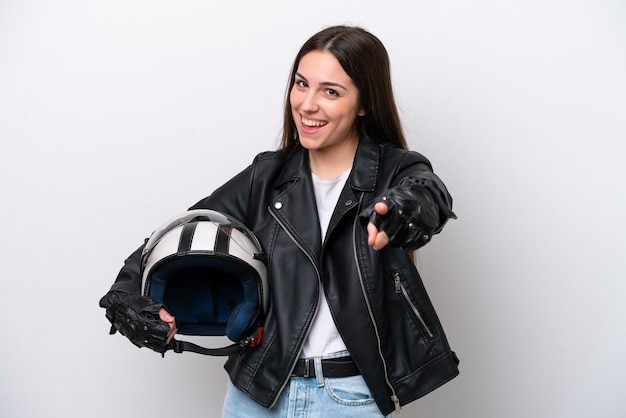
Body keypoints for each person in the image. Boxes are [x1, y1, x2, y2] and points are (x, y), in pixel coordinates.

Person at [100, 25, 459, 417]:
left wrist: (409, 210)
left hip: (349, 399)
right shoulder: (266, 177)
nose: (307, 104)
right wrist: (128, 299)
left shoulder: (395, 172)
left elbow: (428, 193)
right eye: (301, 84)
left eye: (331, 91)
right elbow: (177, 235)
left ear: (363, 104)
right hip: (257, 394)